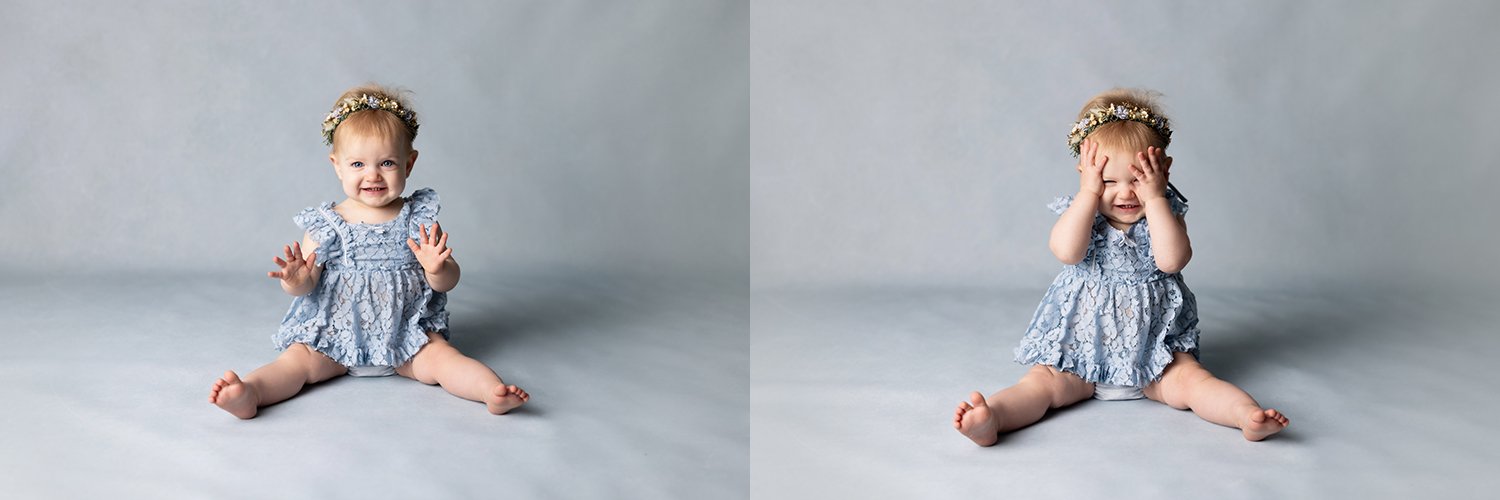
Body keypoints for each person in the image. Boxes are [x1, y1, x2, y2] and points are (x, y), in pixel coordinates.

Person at [954, 88, 1287, 445]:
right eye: (1108, 181)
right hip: (1081, 353)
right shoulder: (1083, 211)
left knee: (1193, 382)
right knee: (1042, 385)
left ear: (1164, 171)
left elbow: (1171, 260)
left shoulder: (1165, 214)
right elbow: (1067, 251)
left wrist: (1156, 198)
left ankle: (1246, 416)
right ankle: (993, 419)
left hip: (1155, 357)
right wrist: (1088, 195)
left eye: (1138, 180)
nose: (1126, 193)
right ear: (1085, 173)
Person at [210, 84, 529, 419]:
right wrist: (296, 280)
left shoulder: (416, 218)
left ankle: (490, 392)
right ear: (337, 165)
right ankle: (250, 393)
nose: (372, 175)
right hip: (335, 337)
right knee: (297, 363)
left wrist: (438, 268)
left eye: (387, 162)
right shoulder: (326, 225)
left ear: (409, 164)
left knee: (443, 359)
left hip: (406, 336)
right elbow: (304, 287)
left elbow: (446, 282)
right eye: (358, 164)